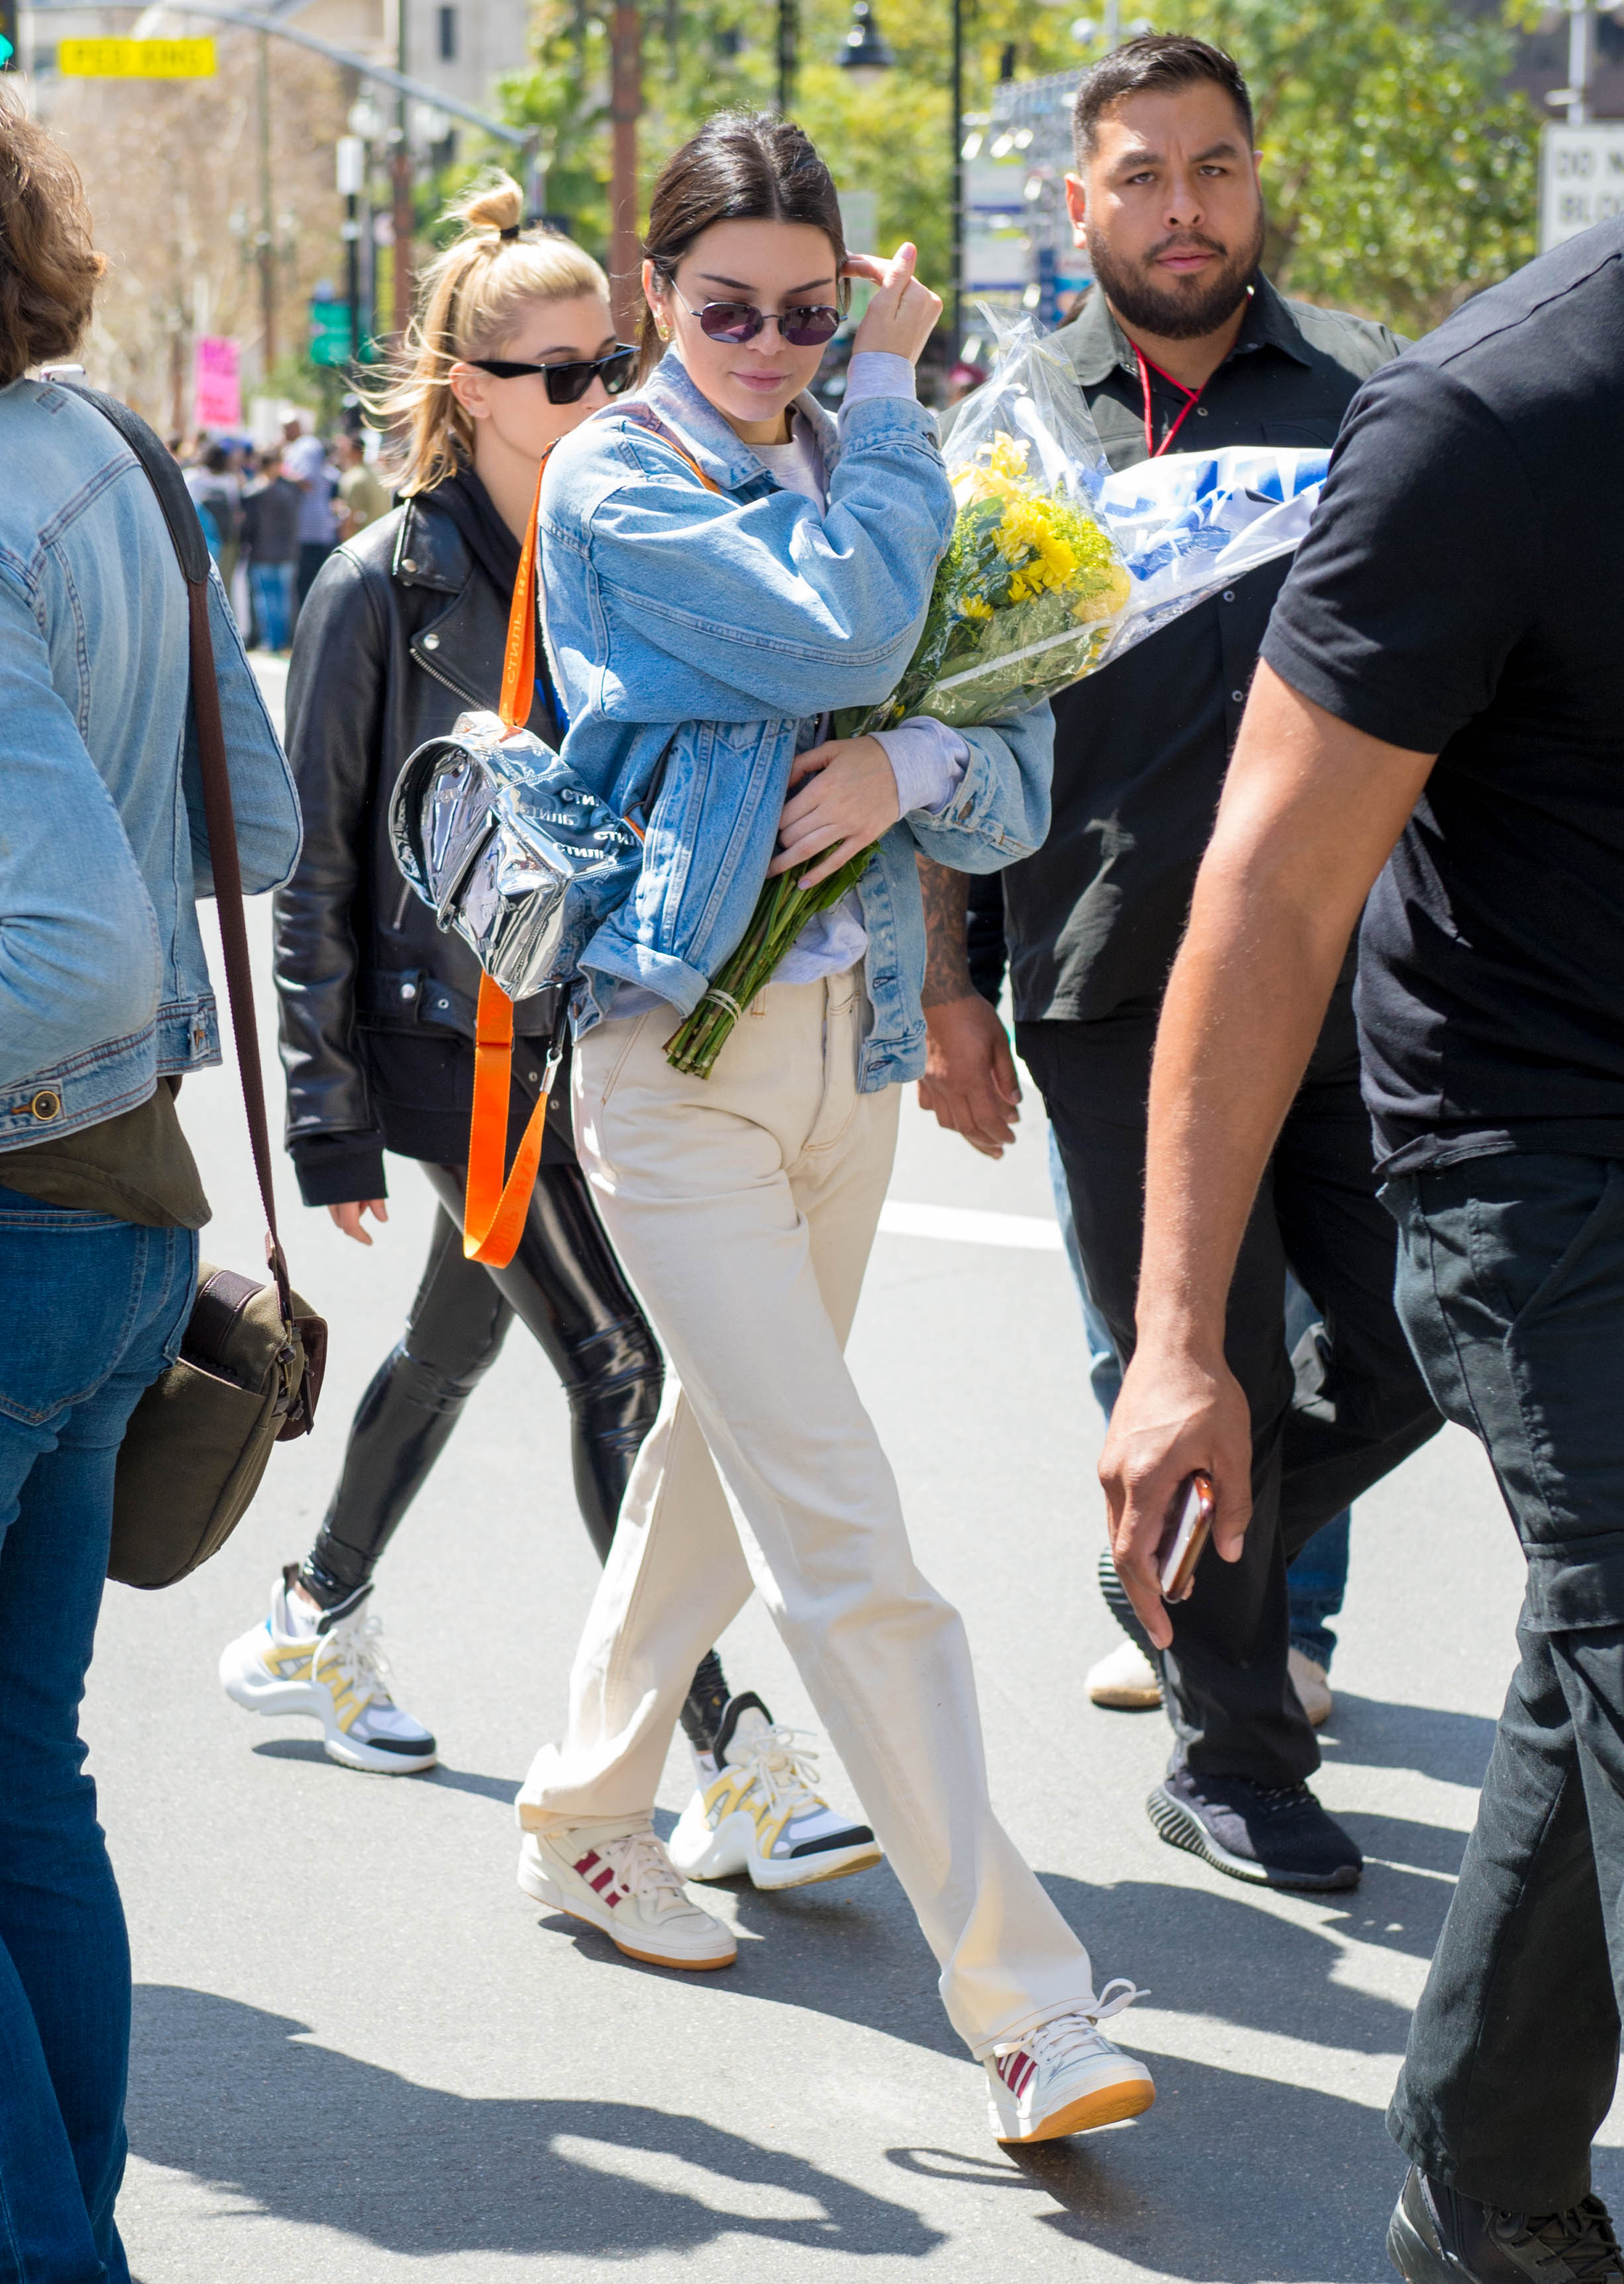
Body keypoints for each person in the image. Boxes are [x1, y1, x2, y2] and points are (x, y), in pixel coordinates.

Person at [512, 110, 1153, 2149]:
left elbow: (1012, 765)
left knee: (725, 1452)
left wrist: (916, 762)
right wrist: (887, 420)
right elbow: (849, 629)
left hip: (849, 1042)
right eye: (727, 312)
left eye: (811, 313)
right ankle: (1028, 2005)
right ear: (653, 299)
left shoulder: (855, 461)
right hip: (674, 1067)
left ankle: (583, 1805)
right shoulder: (619, 474)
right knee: (844, 1527)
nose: (773, 347)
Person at [218, 175, 868, 1883]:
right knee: (624, 1364)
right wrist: (328, 1109)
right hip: (451, 1049)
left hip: (594, 1018)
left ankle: (317, 1603)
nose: (600, 395)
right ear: (470, 390)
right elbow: (320, 866)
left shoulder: (627, 540)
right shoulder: (380, 582)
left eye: (609, 361)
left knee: (458, 1333)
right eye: (561, 373)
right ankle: (731, 1753)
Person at [1100, 213, 1624, 2284]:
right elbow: (1268, 886)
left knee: (1589, 1698)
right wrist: (1170, 1338)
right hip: (1538, 1146)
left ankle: (1480, 2188)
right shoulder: (1487, 419)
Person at [915, 32, 1441, 1893]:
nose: (1180, 207)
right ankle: (1233, 1758)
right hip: (1112, 976)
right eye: (1137, 175)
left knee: (1412, 1339)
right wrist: (948, 985)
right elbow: (941, 727)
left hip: (1365, 971)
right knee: (1189, 1360)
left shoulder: (1378, 402)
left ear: (1252, 179)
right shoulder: (1001, 437)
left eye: (1209, 169)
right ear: (1075, 203)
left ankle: (1174, 1551)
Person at [0, 93, 300, 2283]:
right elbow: (248, 832)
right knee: (29, 1792)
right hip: (128, 1226)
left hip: (19, 1220)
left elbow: (80, 945)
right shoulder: (104, 451)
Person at [241, 448, 301, 652]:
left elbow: (247, 527)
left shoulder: (252, 492)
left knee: (266, 600)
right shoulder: (289, 491)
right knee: (283, 600)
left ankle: (271, 641)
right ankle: (282, 641)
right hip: (286, 553)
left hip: (261, 552)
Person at [282, 418, 339, 610]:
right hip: (313, 528)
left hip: (310, 530)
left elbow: (307, 482)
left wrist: (282, 474)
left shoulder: (305, 446)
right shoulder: (304, 446)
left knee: (308, 587)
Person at [332, 428, 390, 536]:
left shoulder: (353, 478)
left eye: (344, 449)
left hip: (362, 542)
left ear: (354, 452)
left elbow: (349, 519)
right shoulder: (379, 474)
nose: (340, 452)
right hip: (383, 538)